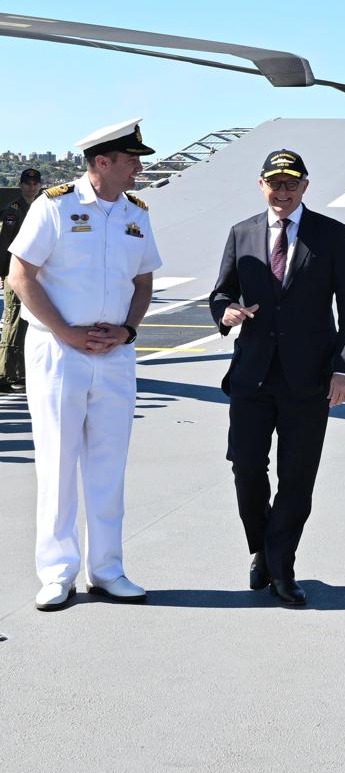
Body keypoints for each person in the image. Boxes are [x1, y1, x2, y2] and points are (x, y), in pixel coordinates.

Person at [6, 118, 161, 610]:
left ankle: (108, 569)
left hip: (114, 354)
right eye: (132, 159)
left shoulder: (137, 212)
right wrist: (65, 331)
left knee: (108, 465)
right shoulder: (55, 206)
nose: (139, 167)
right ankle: (56, 573)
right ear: (102, 162)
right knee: (57, 462)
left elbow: (142, 282)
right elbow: (20, 275)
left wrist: (128, 330)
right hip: (58, 352)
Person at [209, 149, 345, 607]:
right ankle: (263, 546)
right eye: (274, 184)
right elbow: (220, 293)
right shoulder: (242, 233)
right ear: (262, 186)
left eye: (290, 184)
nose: (282, 192)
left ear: (305, 186)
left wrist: (344, 368)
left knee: (297, 479)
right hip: (252, 378)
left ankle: (281, 566)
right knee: (247, 470)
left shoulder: (331, 235)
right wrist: (228, 314)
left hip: (309, 380)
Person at [0, 167, 44, 392]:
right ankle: (4, 373)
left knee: (29, 324)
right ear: (21, 185)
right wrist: (3, 274)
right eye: (27, 183)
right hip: (15, 274)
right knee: (14, 322)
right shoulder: (12, 212)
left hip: (35, 276)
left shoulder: (42, 208)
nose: (32, 186)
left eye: (35, 183)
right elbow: (3, 245)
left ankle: (21, 372)